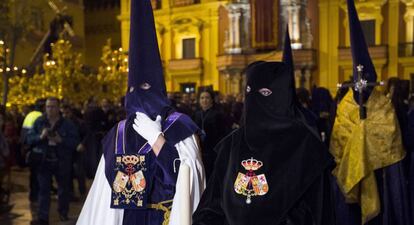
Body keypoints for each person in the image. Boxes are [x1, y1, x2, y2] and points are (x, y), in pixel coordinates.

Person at [76, 0, 205, 224]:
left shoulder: (180, 127)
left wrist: (158, 141)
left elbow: (189, 180)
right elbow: (103, 193)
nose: (138, 96)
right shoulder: (119, 132)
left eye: (145, 89)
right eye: (133, 90)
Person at [193, 31, 335, 225]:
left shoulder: (306, 149)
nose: (254, 100)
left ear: (280, 97)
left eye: (265, 93)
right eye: (249, 92)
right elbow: (211, 206)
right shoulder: (230, 146)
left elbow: (320, 214)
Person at [329, 1, 411, 225]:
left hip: (382, 181)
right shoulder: (345, 108)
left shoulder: (383, 107)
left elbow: (392, 150)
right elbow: (337, 148)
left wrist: (364, 139)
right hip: (349, 199)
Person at [27, 97, 80, 225]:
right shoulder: (39, 122)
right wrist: (41, 136)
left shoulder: (67, 124)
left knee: (63, 189)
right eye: (48, 107)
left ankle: (63, 214)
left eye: (53, 106)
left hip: (62, 160)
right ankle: (43, 217)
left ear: (58, 108)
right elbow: (29, 139)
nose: (50, 109)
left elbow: (75, 142)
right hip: (44, 160)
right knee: (44, 189)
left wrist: (61, 140)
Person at [194, 89, 230, 181]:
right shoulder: (196, 114)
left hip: (213, 150)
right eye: (202, 98)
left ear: (212, 100)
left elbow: (223, 133)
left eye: (207, 98)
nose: (204, 100)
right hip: (199, 150)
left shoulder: (218, 114)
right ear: (199, 100)